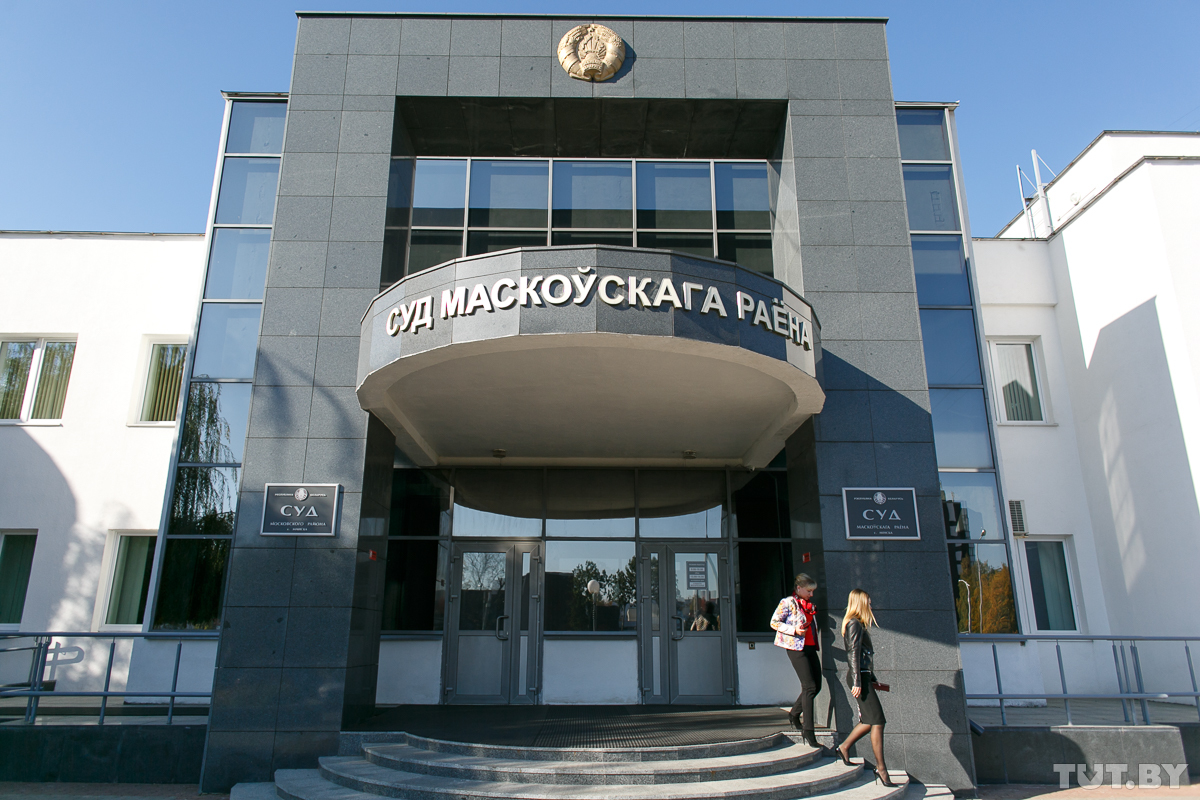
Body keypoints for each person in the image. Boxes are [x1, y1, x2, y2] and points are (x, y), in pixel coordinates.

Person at [836, 588, 895, 787]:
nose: (870, 604)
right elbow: (852, 653)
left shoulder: (858, 624)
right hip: (859, 677)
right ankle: (881, 769)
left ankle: (844, 747)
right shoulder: (854, 623)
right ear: (860, 603)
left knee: (870, 720)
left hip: (863, 676)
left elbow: (862, 656)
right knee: (878, 721)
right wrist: (858, 681)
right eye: (868, 601)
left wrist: (871, 678)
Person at [770, 573, 823, 749]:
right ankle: (808, 731)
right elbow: (774, 622)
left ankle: (794, 714)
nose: (811, 594)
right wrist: (794, 630)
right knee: (809, 686)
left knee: (817, 685)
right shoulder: (787, 602)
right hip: (795, 647)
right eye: (809, 591)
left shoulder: (808, 605)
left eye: (812, 591)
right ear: (798, 588)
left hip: (810, 647)